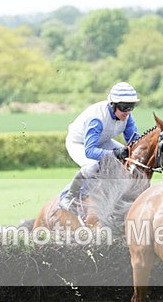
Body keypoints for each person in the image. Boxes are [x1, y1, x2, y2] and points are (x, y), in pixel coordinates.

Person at [58, 82, 140, 213]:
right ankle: (69, 197)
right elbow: (90, 151)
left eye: (131, 107)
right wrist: (114, 154)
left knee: (130, 158)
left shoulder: (127, 116)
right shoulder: (96, 118)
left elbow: (135, 142)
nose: (127, 112)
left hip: (103, 141)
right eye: (124, 107)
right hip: (79, 143)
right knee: (93, 166)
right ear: (113, 104)